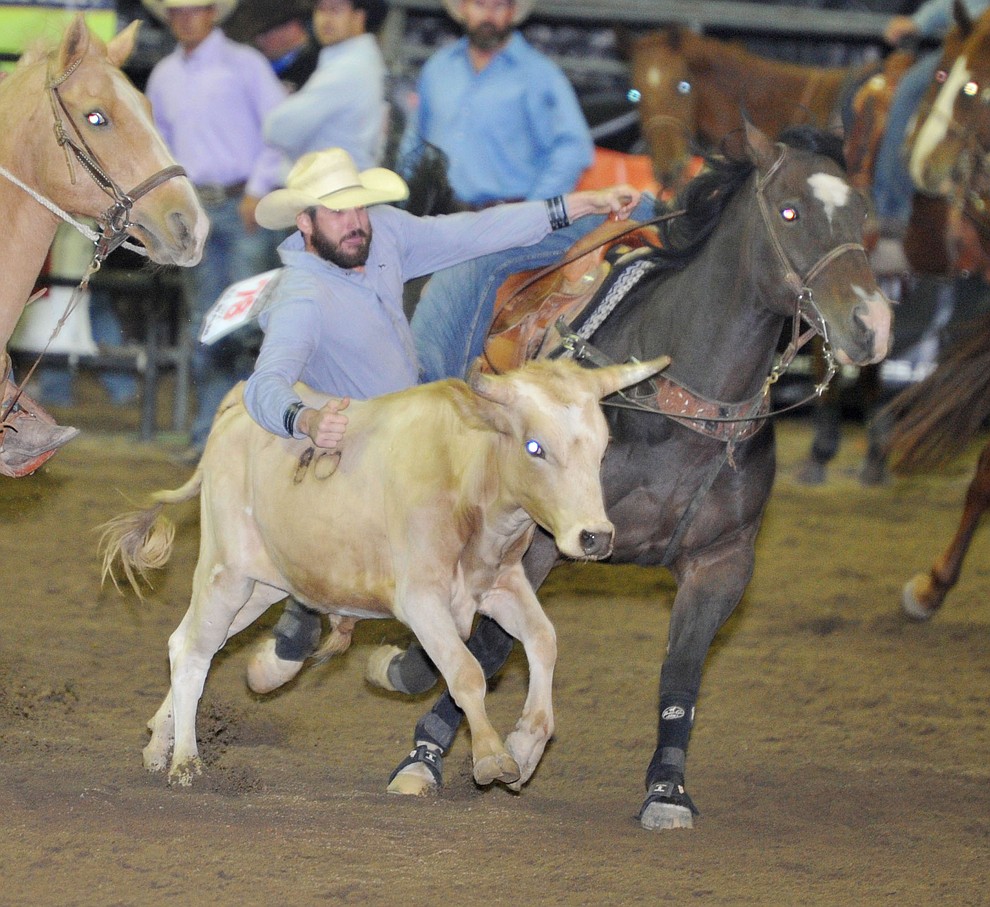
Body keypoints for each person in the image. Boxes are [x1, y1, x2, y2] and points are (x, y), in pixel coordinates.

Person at [241, 145, 653, 692]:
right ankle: (310, 601)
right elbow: (263, 385)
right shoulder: (301, 297)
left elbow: (473, 232)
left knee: (486, 259)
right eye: (338, 213)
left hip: (420, 402)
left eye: (358, 208)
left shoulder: (381, 234)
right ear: (306, 222)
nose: (356, 223)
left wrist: (582, 204)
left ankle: (621, 223)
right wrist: (305, 419)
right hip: (370, 444)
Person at [142, 0, 288, 462]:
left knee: (243, 323)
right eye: (177, 10)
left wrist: (260, 188)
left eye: (194, 9)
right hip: (197, 209)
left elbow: (280, 128)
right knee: (207, 323)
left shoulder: (244, 64)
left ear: (211, 13)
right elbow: (157, 146)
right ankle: (212, 437)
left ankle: (238, 437)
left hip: (240, 202)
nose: (185, 17)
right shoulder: (164, 75)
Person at [396, 0, 594, 208]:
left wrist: (533, 214)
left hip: (504, 218)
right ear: (463, 8)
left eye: (498, 5)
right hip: (435, 216)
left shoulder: (540, 74)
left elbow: (573, 148)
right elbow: (414, 143)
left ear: (512, 11)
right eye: (480, 4)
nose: (489, 16)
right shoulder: (437, 68)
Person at [871, 0, 990, 272]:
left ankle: (891, 211)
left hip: (978, 42)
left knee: (910, 88)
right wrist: (920, 22)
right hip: (978, 46)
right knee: (912, 88)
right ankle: (891, 215)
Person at [261, 0, 390, 176]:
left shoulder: (348, 68)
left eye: (335, 10)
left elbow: (277, 129)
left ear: (359, 16)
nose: (325, 19)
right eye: (320, 9)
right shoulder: (354, 59)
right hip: (338, 182)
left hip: (336, 189)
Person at [223, 0, 320, 92]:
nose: (258, 40)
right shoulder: (256, 68)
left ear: (292, 28)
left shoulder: (317, 67)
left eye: (264, 33)